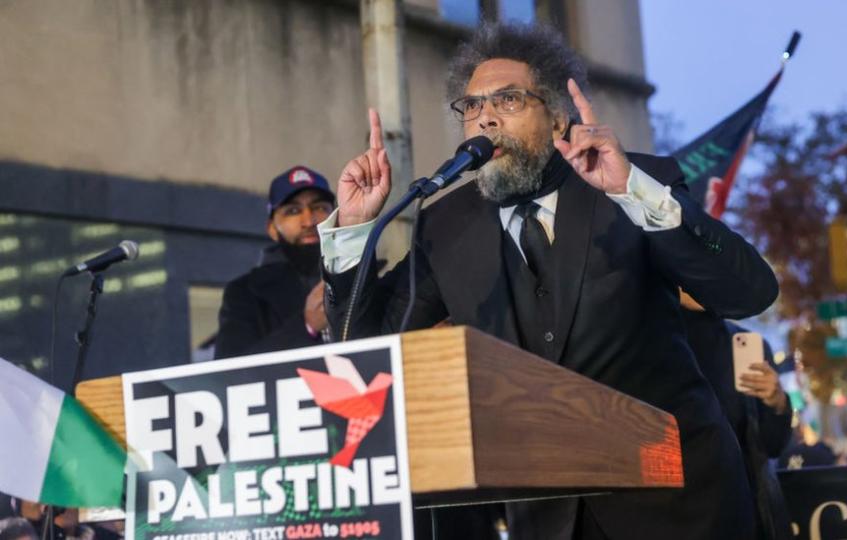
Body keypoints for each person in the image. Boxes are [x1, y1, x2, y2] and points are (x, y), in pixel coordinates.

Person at [319, 23, 778, 540]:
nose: (485, 116)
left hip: (679, 508)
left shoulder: (631, 182)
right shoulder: (446, 225)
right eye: (471, 106)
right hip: (545, 519)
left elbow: (751, 292)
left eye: (507, 99)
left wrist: (633, 192)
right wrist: (354, 232)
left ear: (558, 115)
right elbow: (359, 352)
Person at [679, 293, 793, 540]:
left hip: (744, 510)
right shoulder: (652, 341)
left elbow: (772, 445)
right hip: (676, 511)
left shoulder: (747, 345)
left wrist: (778, 402)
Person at [214, 166, 335, 359]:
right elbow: (230, 372)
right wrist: (307, 326)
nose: (309, 220)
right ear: (272, 228)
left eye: (320, 207)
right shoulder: (244, 293)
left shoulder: (363, 277)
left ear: (335, 218)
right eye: (293, 210)